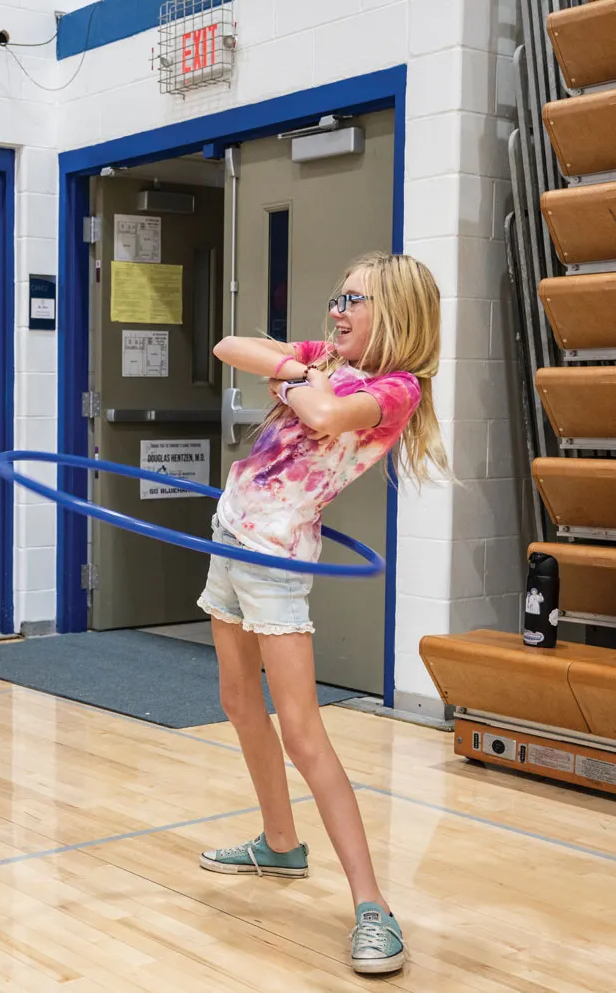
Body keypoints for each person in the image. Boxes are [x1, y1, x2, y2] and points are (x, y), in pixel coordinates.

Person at [197, 252, 447, 975]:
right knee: (239, 701)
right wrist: (300, 368)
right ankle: (280, 844)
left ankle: (373, 906)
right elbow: (228, 346)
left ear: (394, 315)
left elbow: (329, 414)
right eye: (337, 297)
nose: (335, 311)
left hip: (275, 561)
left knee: (303, 733)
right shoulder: (323, 360)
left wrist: (301, 375)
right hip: (227, 537)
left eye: (352, 301)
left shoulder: (395, 388)